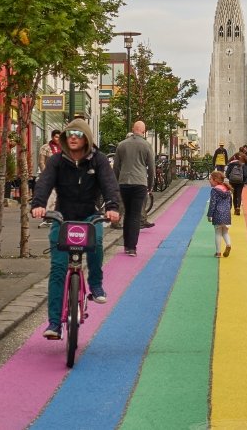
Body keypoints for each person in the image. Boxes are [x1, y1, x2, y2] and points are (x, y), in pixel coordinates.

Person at [31, 119, 120, 339]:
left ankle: (96, 284)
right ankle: (53, 324)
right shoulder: (57, 161)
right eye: (69, 133)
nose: (72, 137)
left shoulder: (98, 161)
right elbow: (45, 182)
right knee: (59, 270)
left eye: (78, 134)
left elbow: (110, 184)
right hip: (63, 217)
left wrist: (112, 207)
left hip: (90, 215)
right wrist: (39, 204)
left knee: (97, 241)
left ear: (86, 138)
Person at [112, 120, 155, 257]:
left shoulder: (121, 145)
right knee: (135, 215)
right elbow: (151, 168)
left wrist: (116, 182)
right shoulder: (147, 145)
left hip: (124, 182)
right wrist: (150, 184)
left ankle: (126, 245)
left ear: (133, 129)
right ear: (144, 131)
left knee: (127, 213)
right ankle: (132, 248)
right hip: (140, 183)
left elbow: (116, 166)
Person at [207, 170, 233, 257]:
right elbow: (230, 203)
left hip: (217, 214)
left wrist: (209, 214)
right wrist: (228, 210)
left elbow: (213, 203)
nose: (209, 180)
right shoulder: (227, 190)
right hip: (226, 214)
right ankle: (228, 244)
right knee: (225, 232)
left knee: (217, 233)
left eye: (210, 179)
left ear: (215, 180)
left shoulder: (214, 190)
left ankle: (218, 252)